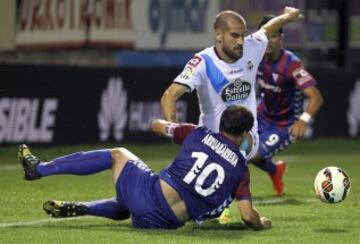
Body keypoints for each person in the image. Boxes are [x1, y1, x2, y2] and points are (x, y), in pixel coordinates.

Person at [19, 105, 272, 230]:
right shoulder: (241, 169)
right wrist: (263, 223)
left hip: (150, 196)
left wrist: (173, 125)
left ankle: (38, 169)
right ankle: (86, 208)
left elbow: (155, 125)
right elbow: (248, 215)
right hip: (163, 223)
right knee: (130, 202)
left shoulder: (197, 133)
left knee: (118, 155)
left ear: (222, 124)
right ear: (245, 133)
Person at [160, 7, 304, 165]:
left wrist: (288, 17)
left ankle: (236, 170)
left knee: (236, 154)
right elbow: (170, 95)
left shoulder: (252, 47)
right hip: (210, 140)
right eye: (235, 36)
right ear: (218, 35)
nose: (241, 41)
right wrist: (174, 129)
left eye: (243, 35)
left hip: (246, 137)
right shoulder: (202, 62)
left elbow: (267, 28)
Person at [250, 15, 324, 196]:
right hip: (260, 115)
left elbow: (316, 97)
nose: (269, 41)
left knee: (251, 154)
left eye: (274, 36)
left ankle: (233, 200)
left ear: (281, 39)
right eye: (266, 35)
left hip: (284, 126)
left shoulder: (292, 65)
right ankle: (275, 171)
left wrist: (303, 121)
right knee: (236, 148)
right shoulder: (255, 57)